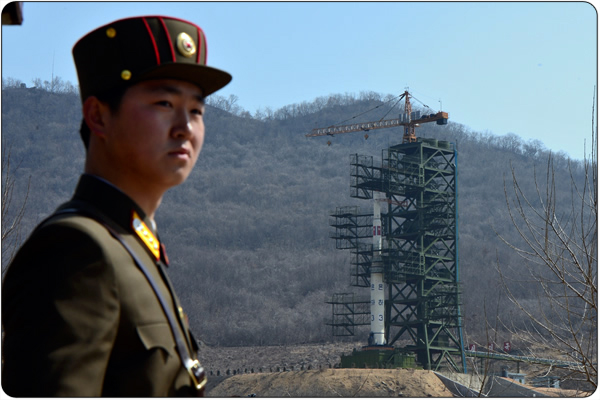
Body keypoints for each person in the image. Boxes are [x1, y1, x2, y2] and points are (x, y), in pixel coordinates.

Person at [2, 15, 232, 397]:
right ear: (98, 116)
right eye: (164, 102)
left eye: (196, 111)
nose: (185, 127)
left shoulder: (131, 247)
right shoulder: (76, 250)